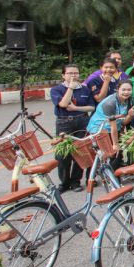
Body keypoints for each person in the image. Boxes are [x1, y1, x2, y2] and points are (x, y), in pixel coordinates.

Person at [51, 63, 95, 193]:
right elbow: (63, 104)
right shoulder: (57, 89)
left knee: (81, 151)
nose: (73, 75)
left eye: (76, 73)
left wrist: (76, 108)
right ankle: (64, 182)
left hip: (82, 120)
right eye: (70, 73)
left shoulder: (85, 89)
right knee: (63, 153)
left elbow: (91, 107)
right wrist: (70, 88)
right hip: (64, 122)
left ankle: (76, 181)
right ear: (63, 75)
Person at [87, 80, 134, 157]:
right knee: (109, 154)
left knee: (117, 155)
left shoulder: (130, 100)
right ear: (117, 89)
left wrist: (130, 116)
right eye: (123, 90)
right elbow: (113, 126)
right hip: (99, 130)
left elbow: (123, 123)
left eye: (129, 90)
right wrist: (115, 144)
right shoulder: (110, 103)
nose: (126, 92)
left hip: (115, 128)